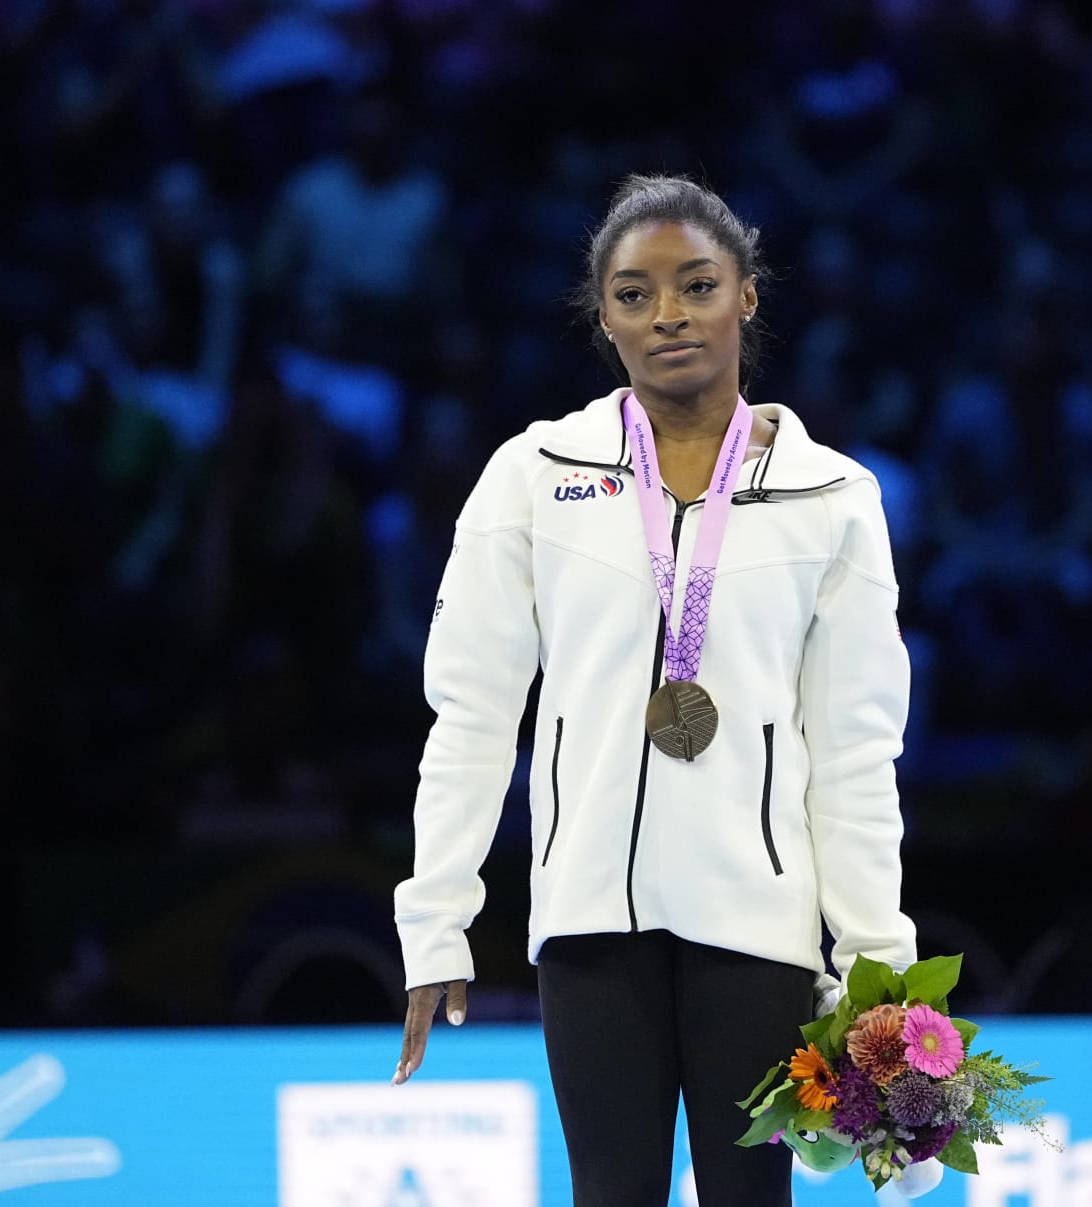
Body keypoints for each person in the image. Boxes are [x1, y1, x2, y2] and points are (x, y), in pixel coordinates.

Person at [390, 175, 929, 1204]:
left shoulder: (836, 499)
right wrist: (436, 918)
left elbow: (857, 755)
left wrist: (877, 968)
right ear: (603, 317)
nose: (669, 314)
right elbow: (469, 718)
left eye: (697, 285)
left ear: (748, 297)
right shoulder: (534, 475)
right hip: (591, 925)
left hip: (759, 928)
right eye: (635, 294)